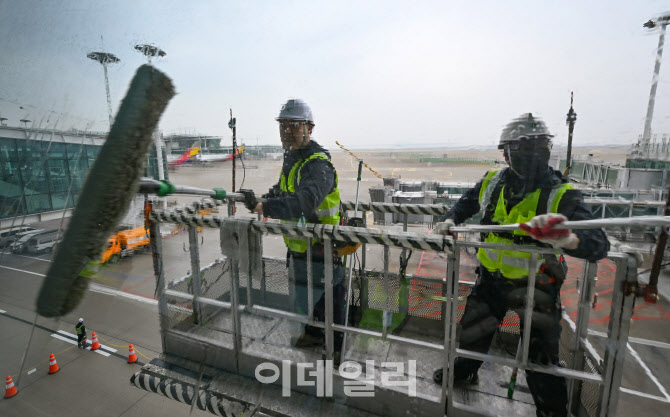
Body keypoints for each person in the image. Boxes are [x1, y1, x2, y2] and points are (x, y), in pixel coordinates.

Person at [432, 113, 609, 417]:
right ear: (506, 153)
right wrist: (449, 219)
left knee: (541, 362)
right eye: (524, 149)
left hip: (537, 287)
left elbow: (599, 244)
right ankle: (465, 371)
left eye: (538, 148)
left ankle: (552, 412)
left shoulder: (561, 194)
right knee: (472, 335)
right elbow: (467, 202)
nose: (531, 156)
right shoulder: (493, 182)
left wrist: (566, 238)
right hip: (491, 279)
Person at [240, 99, 345, 355]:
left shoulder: (318, 164)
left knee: (329, 304)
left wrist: (264, 208)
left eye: (294, 125)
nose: (287, 131)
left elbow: (304, 203)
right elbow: (282, 190)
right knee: (304, 301)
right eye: (283, 125)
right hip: (299, 248)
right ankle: (311, 336)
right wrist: (264, 199)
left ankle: (336, 352)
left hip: (323, 250)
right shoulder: (293, 159)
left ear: (310, 128)